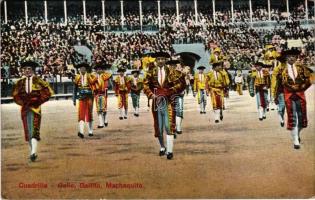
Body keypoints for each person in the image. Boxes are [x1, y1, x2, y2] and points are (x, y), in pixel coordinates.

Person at [143, 52, 186, 160]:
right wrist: (151, 94)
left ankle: (170, 151)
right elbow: (145, 85)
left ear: (166, 60)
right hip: (157, 101)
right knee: (159, 126)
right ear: (156, 61)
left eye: (163, 59)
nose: (161, 61)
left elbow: (181, 83)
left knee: (169, 125)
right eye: (159, 59)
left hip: (169, 100)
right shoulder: (151, 72)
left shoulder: (172, 72)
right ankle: (162, 146)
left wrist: (171, 91)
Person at [12, 61, 54, 162]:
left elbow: (48, 92)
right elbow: (15, 95)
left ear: (33, 70)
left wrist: (38, 101)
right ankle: (32, 151)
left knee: (35, 129)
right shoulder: (19, 82)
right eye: (25, 69)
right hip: (25, 108)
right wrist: (23, 103)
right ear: (23, 70)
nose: (27, 70)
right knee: (28, 130)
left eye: (29, 69)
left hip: (36, 109)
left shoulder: (39, 81)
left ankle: (34, 152)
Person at [271, 48, 312, 149]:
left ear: (296, 57)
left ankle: (296, 134)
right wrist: (274, 96)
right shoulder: (281, 70)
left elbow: (311, 78)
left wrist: (302, 87)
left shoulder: (301, 68)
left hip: (300, 94)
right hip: (288, 95)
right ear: (286, 58)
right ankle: (295, 140)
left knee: (302, 118)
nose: (291, 58)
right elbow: (276, 84)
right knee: (292, 117)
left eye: (293, 56)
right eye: (289, 56)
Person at [73, 62, 97, 138]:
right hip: (81, 97)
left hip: (89, 97)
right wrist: (73, 98)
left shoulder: (90, 76)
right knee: (81, 114)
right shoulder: (77, 77)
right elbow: (75, 88)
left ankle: (90, 131)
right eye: (80, 68)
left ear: (86, 69)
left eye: (83, 68)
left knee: (89, 113)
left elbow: (94, 84)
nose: (82, 69)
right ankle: (81, 132)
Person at [167, 59, 185, 135]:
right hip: (169, 96)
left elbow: (183, 84)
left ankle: (178, 127)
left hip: (178, 94)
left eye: (174, 65)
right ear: (169, 66)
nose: (172, 67)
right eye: (171, 65)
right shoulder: (166, 75)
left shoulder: (180, 74)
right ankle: (172, 128)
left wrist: (182, 90)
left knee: (179, 110)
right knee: (170, 112)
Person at [93, 62, 112, 128]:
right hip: (97, 94)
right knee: (98, 108)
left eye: (100, 69)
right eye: (97, 69)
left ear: (102, 70)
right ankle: (101, 123)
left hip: (104, 93)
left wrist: (106, 94)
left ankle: (105, 119)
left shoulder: (105, 76)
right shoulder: (94, 77)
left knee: (104, 108)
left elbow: (108, 85)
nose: (98, 70)